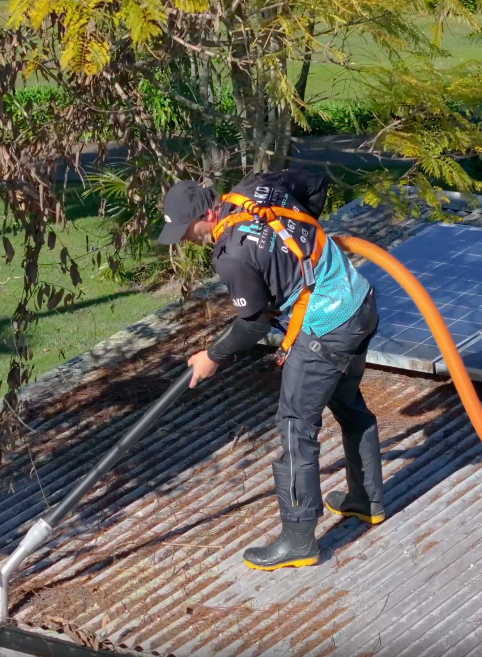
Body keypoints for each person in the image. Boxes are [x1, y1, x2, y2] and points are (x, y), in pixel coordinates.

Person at [156, 170, 385, 571]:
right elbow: (316, 183)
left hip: (325, 328)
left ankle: (298, 541)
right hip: (358, 303)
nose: (184, 239)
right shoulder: (255, 188)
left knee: (296, 425)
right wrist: (300, 249)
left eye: (186, 230)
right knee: (347, 403)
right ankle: (366, 500)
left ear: (206, 215)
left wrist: (212, 356)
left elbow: (253, 325)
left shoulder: (231, 255)